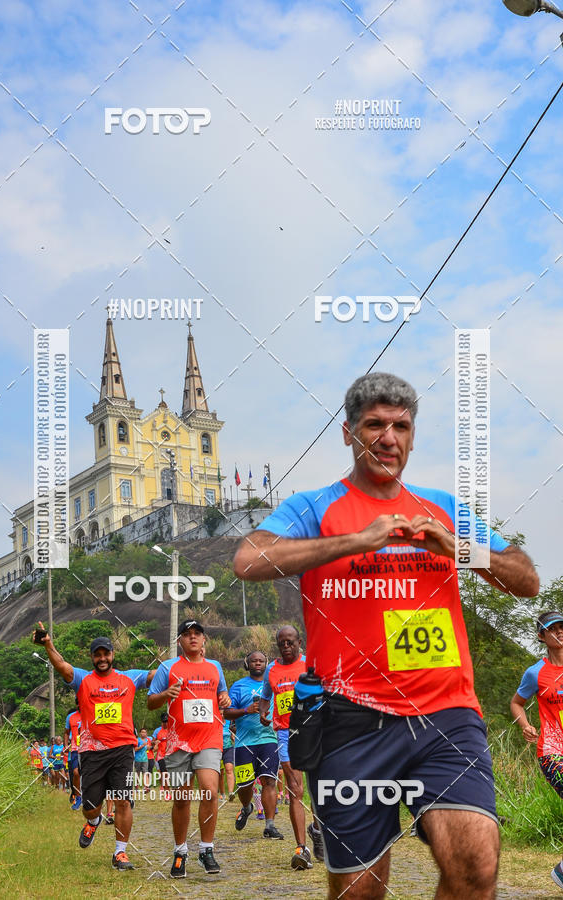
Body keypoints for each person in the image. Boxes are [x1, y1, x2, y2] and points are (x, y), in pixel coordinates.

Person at [234, 372, 540, 900]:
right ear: (348, 433)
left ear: (413, 437)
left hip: (446, 715)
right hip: (349, 723)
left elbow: (526, 579)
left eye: (401, 426)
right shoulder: (315, 506)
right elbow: (249, 559)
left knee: (475, 865)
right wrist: (358, 540)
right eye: (374, 425)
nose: (388, 438)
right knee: (360, 891)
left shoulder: (441, 506)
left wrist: (456, 549)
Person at [33, 623, 155, 871]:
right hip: (92, 752)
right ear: (92, 657)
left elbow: (155, 674)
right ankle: (94, 821)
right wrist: (48, 644)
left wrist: (184, 665)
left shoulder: (129, 677)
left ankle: (120, 852)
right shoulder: (83, 679)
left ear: (112, 655)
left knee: (123, 801)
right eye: (97, 655)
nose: (102, 658)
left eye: (106, 654)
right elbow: (62, 666)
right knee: (90, 808)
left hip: (122, 750)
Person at [147, 619, 231, 878]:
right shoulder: (168, 667)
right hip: (178, 742)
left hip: (209, 738)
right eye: (187, 634)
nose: (192, 637)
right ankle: (180, 851)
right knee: (182, 799)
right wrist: (166, 694)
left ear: (204, 639)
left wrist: (225, 699)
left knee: (210, 791)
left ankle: (206, 849)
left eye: (197, 633)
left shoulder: (215, 667)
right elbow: (151, 702)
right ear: (179, 641)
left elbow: (222, 696)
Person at [511, 611, 563, 890]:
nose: (560, 631)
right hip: (552, 750)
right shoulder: (535, 673)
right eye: (553, 628)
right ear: (542, 636)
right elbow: (516, 703)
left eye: (562, 626)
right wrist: (525, 725)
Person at [259, 627, 317, 867]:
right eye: (281, 643)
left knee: (318, 789)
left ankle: (318, 830)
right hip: (285, 733)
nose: (285, 646)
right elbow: (265, 697)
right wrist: (263, 711)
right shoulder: (271, 670)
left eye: (290, 642)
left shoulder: (310, 665)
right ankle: (301, 848)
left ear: (299, 642)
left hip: (313, 732)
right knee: (295, 790)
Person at [225, 649, 283, 840]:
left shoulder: (274, 684)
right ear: (247, 664)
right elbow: (226, 712)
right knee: (245, 785)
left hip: (269, 740)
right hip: (244, 743)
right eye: (253, 661)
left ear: (266, 664)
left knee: (269, 781)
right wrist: (246, 710)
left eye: (261, 661)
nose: (257, 663)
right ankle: (246, 807)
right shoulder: (238, 686)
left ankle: (270, 825)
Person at [65, 701, 82, 810]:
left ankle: (89, 797)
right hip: (75, 749)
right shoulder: (71, 717)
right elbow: (66, 732)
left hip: (89, 748)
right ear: (77, 704)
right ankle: (78, 796)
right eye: (79, 703)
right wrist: (66, 745)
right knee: (76, 773)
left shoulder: (91, 713)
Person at [219, 718, 235, 801]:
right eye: (220, 713)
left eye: (223, 714)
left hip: (228, 748)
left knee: (229, 769)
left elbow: (233, 734)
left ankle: (231, 793)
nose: (222, 715)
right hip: (217, 749)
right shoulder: (216, 720)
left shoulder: (229, 721)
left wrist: (233, 737)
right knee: (220, 773)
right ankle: (222, 794)